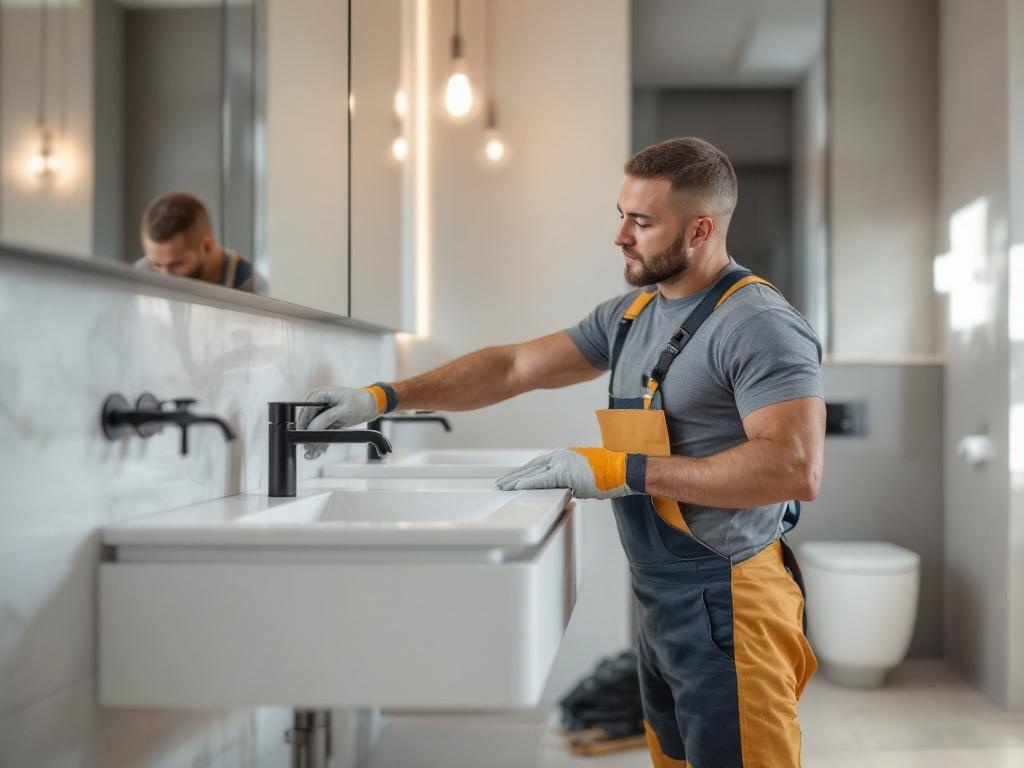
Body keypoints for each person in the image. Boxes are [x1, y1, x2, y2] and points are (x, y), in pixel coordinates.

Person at [298, 137, 825, 768]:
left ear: (700, 229)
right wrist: (386, 395)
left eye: (642, 221)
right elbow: (515, 366)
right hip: (662, 604)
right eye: (621, 213)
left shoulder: (757, 323)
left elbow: (795, 468)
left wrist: (623, 469)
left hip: (733, 603)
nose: (619, 236)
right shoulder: (633, 314)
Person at [134, 192, 264, 293]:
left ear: (207, 245)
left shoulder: (252, 287)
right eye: (156, 264)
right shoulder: (137, 278)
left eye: (176, 265)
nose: (164, 276)